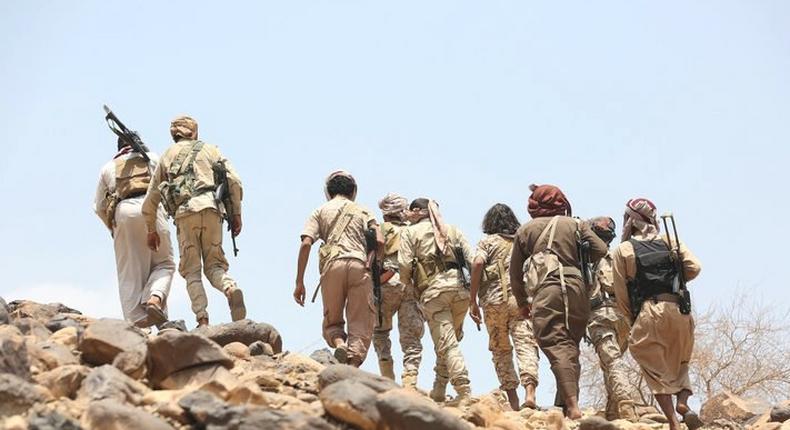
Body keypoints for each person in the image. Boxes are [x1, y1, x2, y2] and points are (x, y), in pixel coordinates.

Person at [509, 184, 607, 419]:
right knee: (570, 345)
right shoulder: (575, 224)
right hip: (577, 288)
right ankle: (564, 404)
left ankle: (572, 407)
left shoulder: (526, 230)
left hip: (547, 290)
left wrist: (523, 302)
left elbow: (514, 274)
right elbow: (601, 249)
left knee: (554, 343)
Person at [142, 115, 245, 327]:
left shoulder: (167, 156)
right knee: (214, 265)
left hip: (185, 214)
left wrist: (151, 229)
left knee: (192, 271)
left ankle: (202, 319)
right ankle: (230, 288)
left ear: (174, 134)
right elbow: (234, 180)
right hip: (212, 208)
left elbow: (151, 198)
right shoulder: (211, 150)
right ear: (194, 132)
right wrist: (236, 214)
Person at [611, 198, 702, 430]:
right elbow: (694, 267)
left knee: (651, 362)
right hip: (680, 309)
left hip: (649, 310)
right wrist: (675, 279)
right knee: (680, 359)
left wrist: (633, 320)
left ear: (630, 220)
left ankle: (672, 420)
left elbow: (621, 293)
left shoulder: (624, 249)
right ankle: (683, 401)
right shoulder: (670, 240)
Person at [293, 170, 382, 367]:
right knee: (361, 322)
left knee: (332, 321)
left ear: (328, 191)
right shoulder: (364, 211)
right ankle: (352, 365)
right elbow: (380, 240)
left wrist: (299, 282)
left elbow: (306, 243)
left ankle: (339, 343)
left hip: (332, 267)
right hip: (360, 266)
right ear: (353, 191)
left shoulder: (320, 211)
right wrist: (373, 264)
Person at [399, 198, 473, 406]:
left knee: (447, 344)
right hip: (461, 291)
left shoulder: (410, 232)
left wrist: (409, 287)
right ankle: (439, 390)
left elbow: (404, 264)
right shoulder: (452, 230)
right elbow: (472, 258)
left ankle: (463, 390)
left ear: (416, 212)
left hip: (434, 293)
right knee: (450, 340)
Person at [94, 138, 175, 327]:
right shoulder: (152, 158)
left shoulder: (108, 168)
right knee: (164, 264)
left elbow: (98, 206)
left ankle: (137, 327)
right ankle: (155, 298)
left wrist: (113, 228)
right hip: (153, 210)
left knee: (130, 275)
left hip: (124, 213)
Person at [469, 203, 539, 411]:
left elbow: (477, 264)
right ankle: (530, 393)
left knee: (500, 350)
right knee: (526, 344)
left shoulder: (487, 241)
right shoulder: (523, 240)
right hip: (521, 300)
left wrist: (472, 300)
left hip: (494, 301)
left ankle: (513, 400)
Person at [585, 216, 640, 421]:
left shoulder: (586, 259)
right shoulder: (621, 255)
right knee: (609, 362)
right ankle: (613, 412)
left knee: (612, 361)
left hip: (600, 315)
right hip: (624, 315)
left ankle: (626, 405)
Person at [372, 193, 425, 388]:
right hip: (410, 284)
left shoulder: (380, 229)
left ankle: (387, 379)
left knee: (380, 332)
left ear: (385, 213)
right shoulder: (415, 231)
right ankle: (410, 381)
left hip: (386, 283)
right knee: (411, 338)